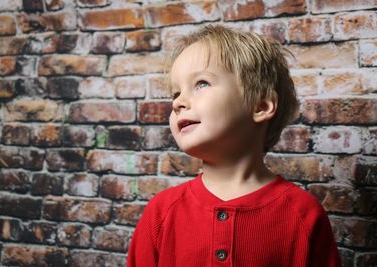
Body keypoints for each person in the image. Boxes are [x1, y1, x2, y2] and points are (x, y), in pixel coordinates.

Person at [127, 25, 342, 267]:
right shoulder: (161, 213)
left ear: (261, 106)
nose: (178, 103)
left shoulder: (304, 214)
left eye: (201, 84)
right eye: (175, 93)